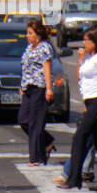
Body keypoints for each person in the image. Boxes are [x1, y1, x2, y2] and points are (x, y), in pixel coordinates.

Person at [55, 27, 97, 191]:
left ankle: (74, 178)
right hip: (90, 101)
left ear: (95, 42)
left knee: (80, 137)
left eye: (86, 40)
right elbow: (80, 77)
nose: (83, 43)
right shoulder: (90, 58)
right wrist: (81, 60)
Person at [18, 19, 58, 165]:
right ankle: (47, 141)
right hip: (28, 88)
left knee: (36, 123)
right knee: (23, 119)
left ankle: (35, 158)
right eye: (27, 33)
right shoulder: (29, 48)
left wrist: (49, 88)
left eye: (30, 33)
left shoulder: (44, 48)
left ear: (38, 35)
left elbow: (47, 68)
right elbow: (25, 68)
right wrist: (22, 85)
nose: (27, 36)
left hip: (39, 88)